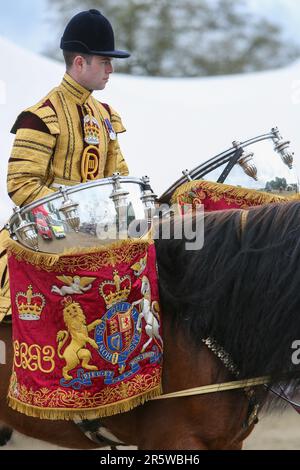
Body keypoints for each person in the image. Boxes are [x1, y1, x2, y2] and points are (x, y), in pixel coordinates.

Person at [0, 9, 130, 318]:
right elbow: (21, 184)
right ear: (80, 62)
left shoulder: (106, 115)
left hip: (98, 234)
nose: (110, 69)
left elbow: (120, 178)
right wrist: (74, 220)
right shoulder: (41, 116)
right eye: (104, 61)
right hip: (44, 233)